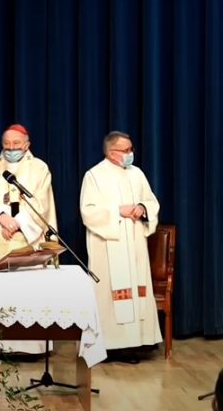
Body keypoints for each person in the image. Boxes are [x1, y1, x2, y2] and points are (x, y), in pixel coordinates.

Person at [80, 131, 163, 364]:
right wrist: (118, 210)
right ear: (111, 152)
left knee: (136, 291)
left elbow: (151, 201)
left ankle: (136, 343)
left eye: (131, 149)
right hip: (109, 244)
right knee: (109, 295)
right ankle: (109, 346)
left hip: (134, 243)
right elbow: (88, 211)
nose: (130, 154)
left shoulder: (137, 174)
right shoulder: (94, 175)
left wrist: (142, 208)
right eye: (125, 150)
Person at [0, 123, 58, 356]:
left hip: (27, 238)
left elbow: (41, 202)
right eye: (7, 144)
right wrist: (1, 217)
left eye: (16, 144)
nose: (11, 148)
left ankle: (30, 347)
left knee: (27, 295)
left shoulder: (39, 168)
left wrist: (18, 222)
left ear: (26, 145)